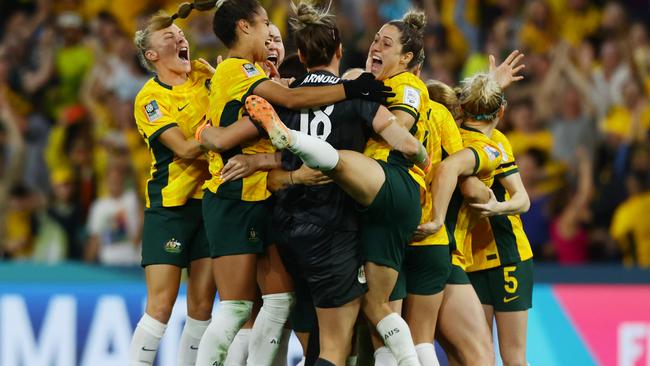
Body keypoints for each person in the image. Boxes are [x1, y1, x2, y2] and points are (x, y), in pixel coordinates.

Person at [189, 1, 393, 365]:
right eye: (265, 23)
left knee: (279, 303)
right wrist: (351, 90)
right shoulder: (237, 71)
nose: (270, 32)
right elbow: (290, 100)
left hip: (266, 196)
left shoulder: (255, 74)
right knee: (237, 309)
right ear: (243, 27)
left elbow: (286, 97)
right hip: (233, 196)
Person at [129, 6, 217, 366]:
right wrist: (225, 130)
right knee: (161, 306)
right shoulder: (150, 99)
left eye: (180, 34)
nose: (181, 38)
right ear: (152, 56)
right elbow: (183, 147)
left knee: (201, 308)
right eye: (169, 37)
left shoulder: (204, 73)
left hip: (211, 202)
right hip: (170, 208)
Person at [464, 127, 534, 366]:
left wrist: (498, 208)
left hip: (508, 255)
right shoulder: (448, 137)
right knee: (481, 357)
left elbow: (523, 200)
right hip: (471, 259)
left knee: (513, 357)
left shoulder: (494, 139)